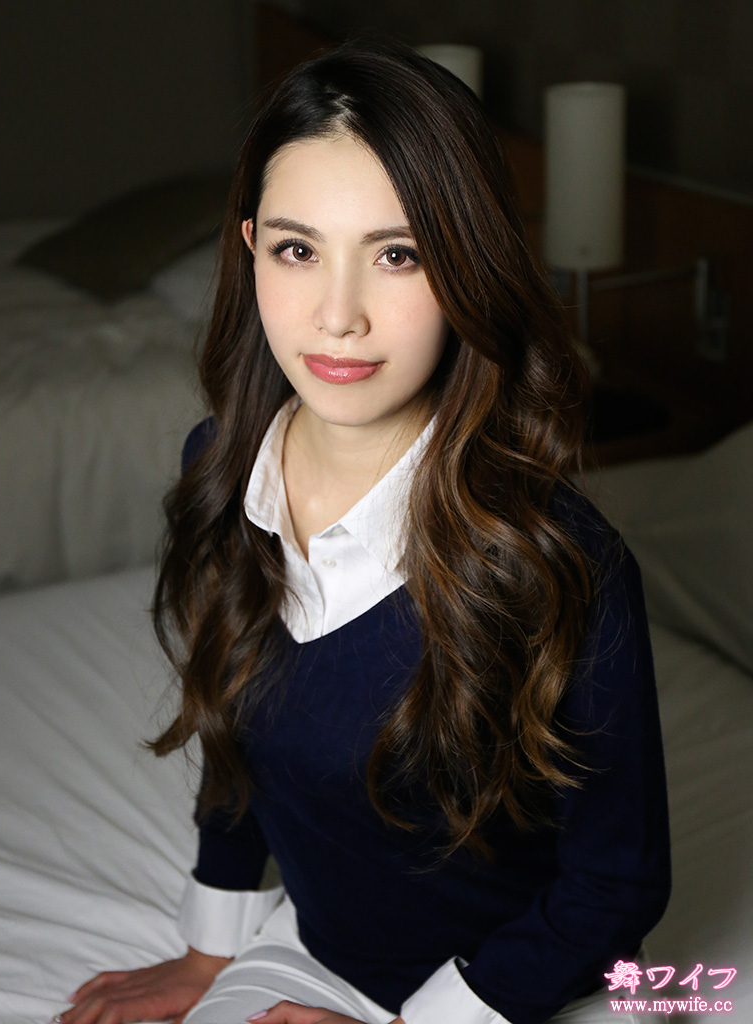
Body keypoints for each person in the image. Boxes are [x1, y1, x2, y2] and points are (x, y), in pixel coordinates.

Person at [60, 39, 670, 1024]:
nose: (338, 316)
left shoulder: (565, 561)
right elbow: (236, 716)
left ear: (465, 265)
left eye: (398, 254)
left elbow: (616, 888)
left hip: (529, 990)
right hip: (318, 953)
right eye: (298, 250)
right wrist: (210, 944)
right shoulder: (222, 467)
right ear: (251, 246)